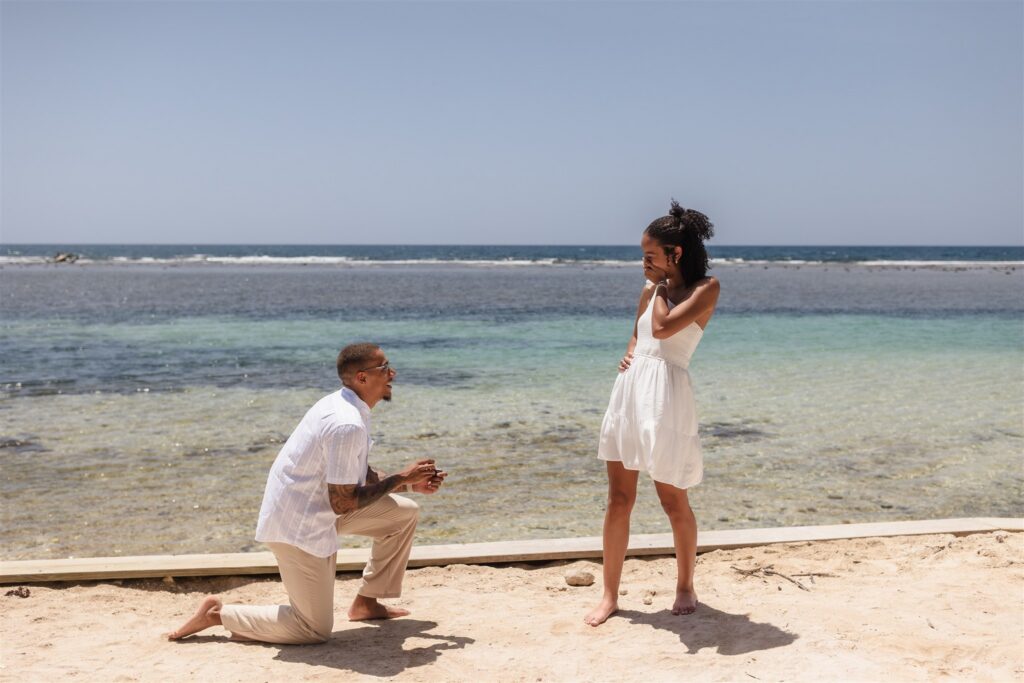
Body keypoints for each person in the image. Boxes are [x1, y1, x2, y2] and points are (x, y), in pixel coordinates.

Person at [168, 342, 447, 643]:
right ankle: (218, 614)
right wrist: (399, 477)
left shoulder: (348, 406)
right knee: (312, 629)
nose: (392, 373)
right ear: (362, 378)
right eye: (384, 368)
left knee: (403, 514)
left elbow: (359, 476)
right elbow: (344, 502)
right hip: (299, 525)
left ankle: (367, 602)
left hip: (323, 509)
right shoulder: (346, 423)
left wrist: (408, 484)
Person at [584, 200, 720, 627]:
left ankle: (685, 585)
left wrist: (659, 288)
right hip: (631, 395)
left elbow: (662, 329)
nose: (643, 264)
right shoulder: (649, 291)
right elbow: (639, 334)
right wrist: (628, 357)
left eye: (649, 256)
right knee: (618, 500)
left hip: (666, 399)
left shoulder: (706, 289)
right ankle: (609, 594)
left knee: (672, 498)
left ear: (674, 255)